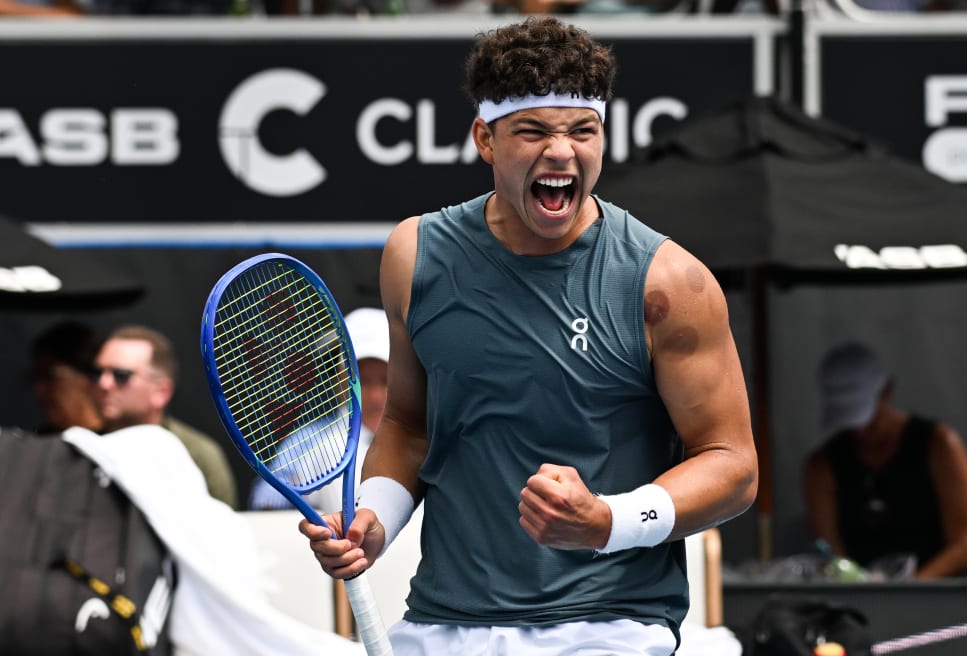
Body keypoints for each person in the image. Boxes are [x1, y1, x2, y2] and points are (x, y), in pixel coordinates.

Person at [300, 16, 758, 654]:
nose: (563, 152)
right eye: (534, 131)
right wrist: (374, 519)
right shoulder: (414, 253)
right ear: (485, 139)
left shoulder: (670, 282)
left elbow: (733, 466)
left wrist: (608, 521)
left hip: (607, 627)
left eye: (583, 131)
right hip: (442, 622)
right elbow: (410, 426)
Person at [803, 341, 967, 579]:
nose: (860, 432)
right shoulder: (822, 466)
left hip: (935, 590)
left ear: (887, 391)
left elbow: (964, 545)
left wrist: (912, 587)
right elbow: (832, 551)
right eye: (849, 422)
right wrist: (858, 584)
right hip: (859, 592)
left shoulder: (940, 445)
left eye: (867, 419)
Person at [250, 306, 390, 512]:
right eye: (362, 381)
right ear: (338, 381)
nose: (376, 396)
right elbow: (265, 503)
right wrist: (298, 489)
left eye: (386, 381)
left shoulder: (427, 439)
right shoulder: (308, 441)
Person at [93, 324, 239, 509]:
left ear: (161, 392)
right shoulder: (82, 448)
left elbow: (223, 524)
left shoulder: (198, 454)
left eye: (121, 375)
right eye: (98, 372)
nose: (103, 384)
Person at [29, 320, 105, 434]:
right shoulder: (36, 441)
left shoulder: (122, 441)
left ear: (89, 378)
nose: (39, 390)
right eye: (37, 377)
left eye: (50, 377)